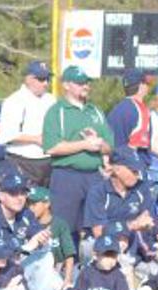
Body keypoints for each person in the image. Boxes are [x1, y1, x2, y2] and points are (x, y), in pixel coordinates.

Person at [42, 65, 114, 236]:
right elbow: (51, 147)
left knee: (96, 227)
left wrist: (98, 141)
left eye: (87, 83)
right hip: (67, 176)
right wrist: (84, 145)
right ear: (66, 85)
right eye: (80, 83)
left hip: (94, 176)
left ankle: (92, 262)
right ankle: (63, 262)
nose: (86, 86)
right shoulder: (56, 111)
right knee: (64, 228)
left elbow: (109, 147)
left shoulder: (95, 110)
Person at [0, 60, 56, 187]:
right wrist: (36, 139)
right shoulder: (14, 100)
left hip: (47, 160)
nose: (45, 83)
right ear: (29, 79)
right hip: (22, 161)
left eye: (47, 79)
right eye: (41, 79)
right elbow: (8, 134)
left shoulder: (51, 100)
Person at [82, 147, 152, 238]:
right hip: (103, 247)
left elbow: (146, 221)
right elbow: (98, 232)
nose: (138, 175)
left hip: (132, 243)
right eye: (134, 171)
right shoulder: (99, 192)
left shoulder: (142, 188)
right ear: (117, 170)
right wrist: (131, 225)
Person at [106, 69, 151, 155]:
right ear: (141, 86)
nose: (147, 86)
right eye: (146, 83)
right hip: (130, 164)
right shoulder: (139, 110)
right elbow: (138, 147)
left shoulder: (117, 109)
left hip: (118, 160)